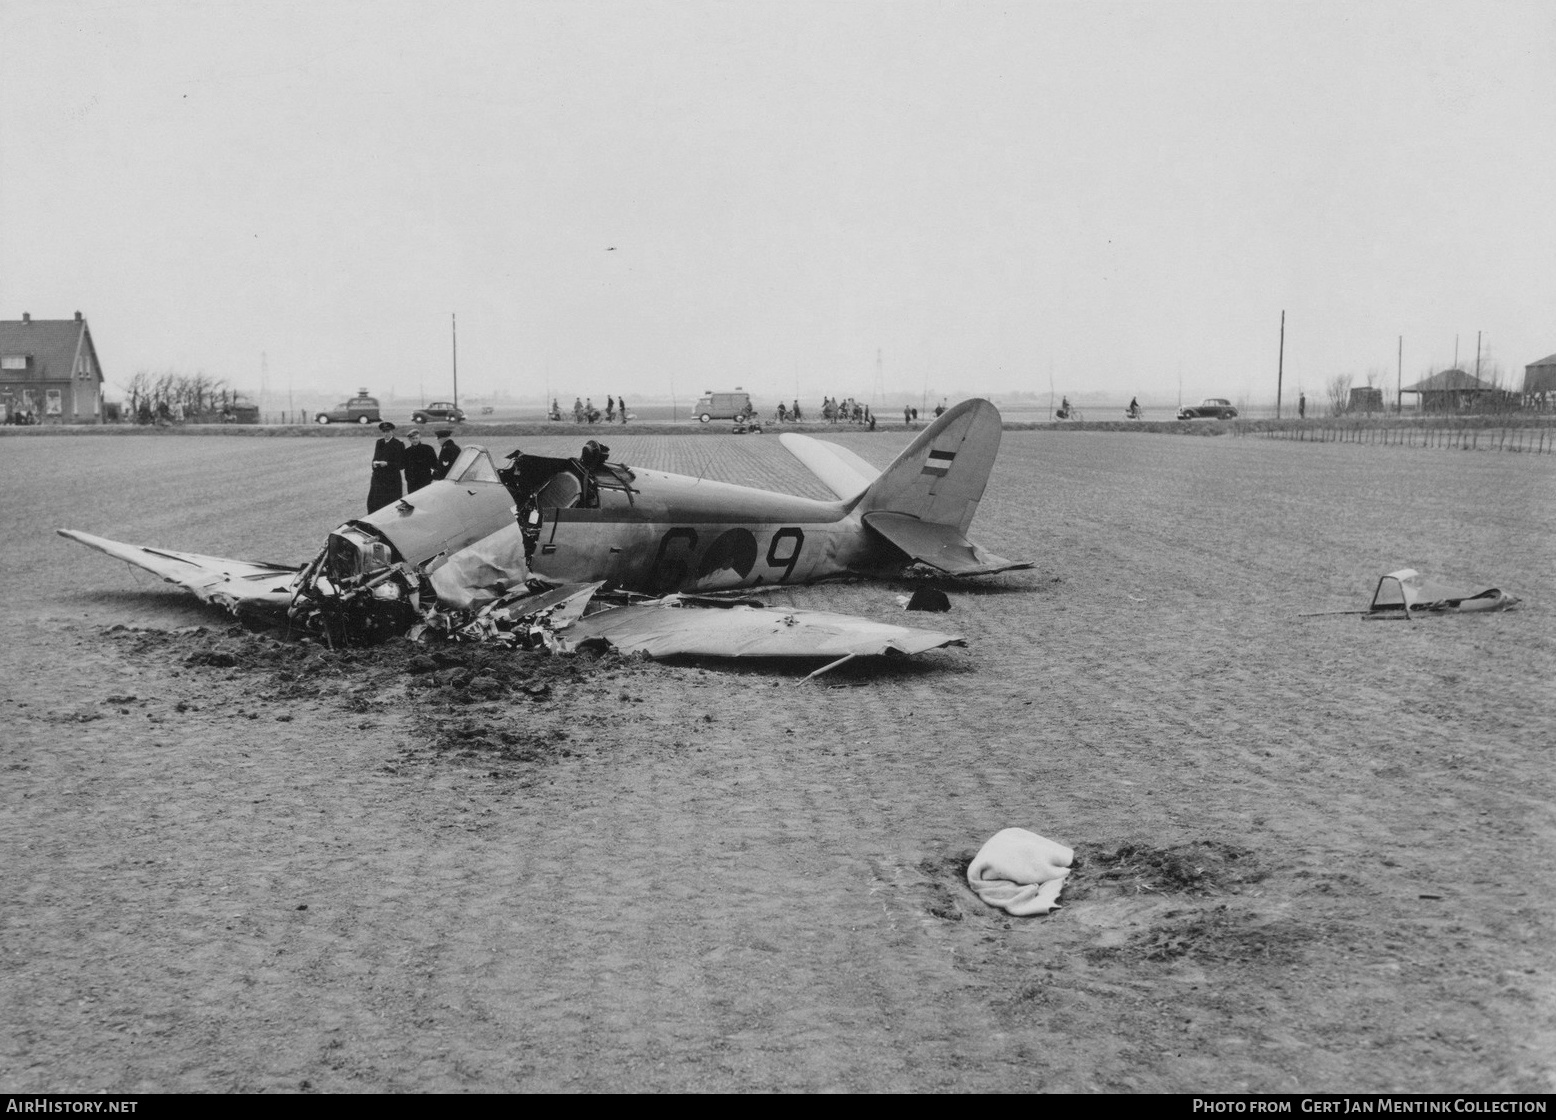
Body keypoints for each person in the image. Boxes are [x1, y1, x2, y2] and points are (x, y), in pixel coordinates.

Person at [367, 421, 405, 512]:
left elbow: (401, 464)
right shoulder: (379, 442)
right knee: (373, 503)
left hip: (391, 480)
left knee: (390, 504)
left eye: (388, 431)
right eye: (384, 432)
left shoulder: (398, 444)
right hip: (378, 479)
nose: (385, 434)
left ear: (392, 431)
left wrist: (387, 464)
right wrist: (374, 464)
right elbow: (375, 458)